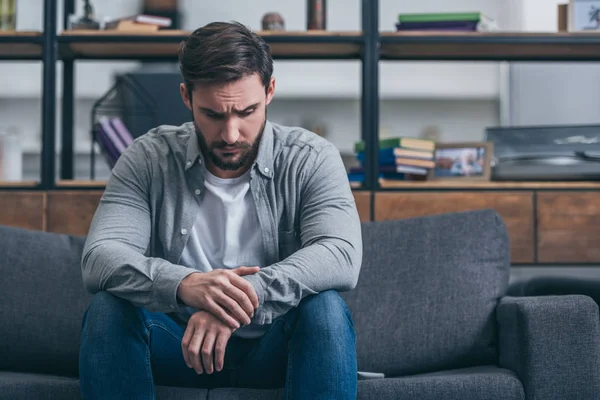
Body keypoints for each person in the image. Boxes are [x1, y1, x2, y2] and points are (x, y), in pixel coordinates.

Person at [78, 21, 363, 400]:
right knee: (107, 310)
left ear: (270, 91)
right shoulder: (147, 158)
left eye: (247, 112)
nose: (231, 134)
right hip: (180, 347)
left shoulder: (311, 158)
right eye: (213, 114)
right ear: (186, 97)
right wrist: (185, 286)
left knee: (325, 310)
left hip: (275, 349)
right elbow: (100, 257)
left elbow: (340, 254)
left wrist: (238, 298)